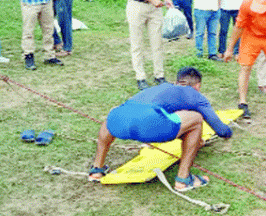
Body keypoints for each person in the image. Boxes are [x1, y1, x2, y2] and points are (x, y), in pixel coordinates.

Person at [87, 67, 232, 191]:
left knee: (115, 114)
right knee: (195, 118)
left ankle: (97, 169)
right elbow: (220, 130)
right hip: (149, 124)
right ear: (197, 86)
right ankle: (183, 179)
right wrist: (228, 133)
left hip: (118, 121)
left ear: (177, 82)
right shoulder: (196, 95)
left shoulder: (161, 88)